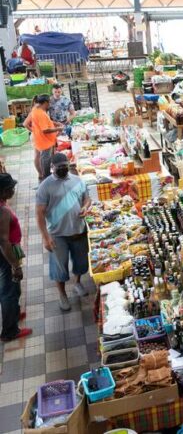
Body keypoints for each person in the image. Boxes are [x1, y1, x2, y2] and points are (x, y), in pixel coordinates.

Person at [37, 153, 90, 312]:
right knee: (59, 268)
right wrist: (45, 238)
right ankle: (62, 294)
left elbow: (87, 199)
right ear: (52, 167)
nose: (62, 169)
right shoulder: (45, 186)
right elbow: (39, 213)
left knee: (80, 262)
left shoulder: (77, 180)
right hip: (58, 234)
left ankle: (77, 283)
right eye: (59, 167)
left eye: (65, 166)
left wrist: (86, 207)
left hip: (78, 231)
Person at [0, 174, 31, 342]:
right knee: (9, 291)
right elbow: (3, 241)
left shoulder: (2, 204)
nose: (13, 190)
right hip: (6, 255)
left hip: (8, 253)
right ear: (4, 191)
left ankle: (14, 314)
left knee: (13, 288)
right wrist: (15, 266)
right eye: (11, 188)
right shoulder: (2, 211)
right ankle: (9, 331)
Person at [26, 95, 64, 181]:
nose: (49, 105)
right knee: (46, 161)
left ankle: (46, 176)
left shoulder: (36, 109)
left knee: (45, 160)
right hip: (45, 142)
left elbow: (45, 123)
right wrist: (59, 128)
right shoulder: (40, 114)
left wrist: (55, 123)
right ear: (45, 103)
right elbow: (45, 130)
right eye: (49, 103)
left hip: (43, 140)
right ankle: (47, 178)